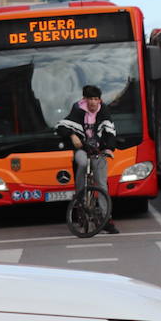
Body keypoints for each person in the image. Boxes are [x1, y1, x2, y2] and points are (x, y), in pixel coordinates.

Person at [56, 85, 120, 235]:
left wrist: (109, 149)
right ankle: (80, 201)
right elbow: (62, 127)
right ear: (84, 99)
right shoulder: (77, 110)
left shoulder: (103, 110)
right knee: (82, 163)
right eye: (90, 99)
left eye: (96, 99)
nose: (93, 102)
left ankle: (106, 219)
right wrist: (72, 135)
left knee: (102, 184)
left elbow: (110, 132)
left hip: (98, 150)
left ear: (100, 100)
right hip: (82, 150)